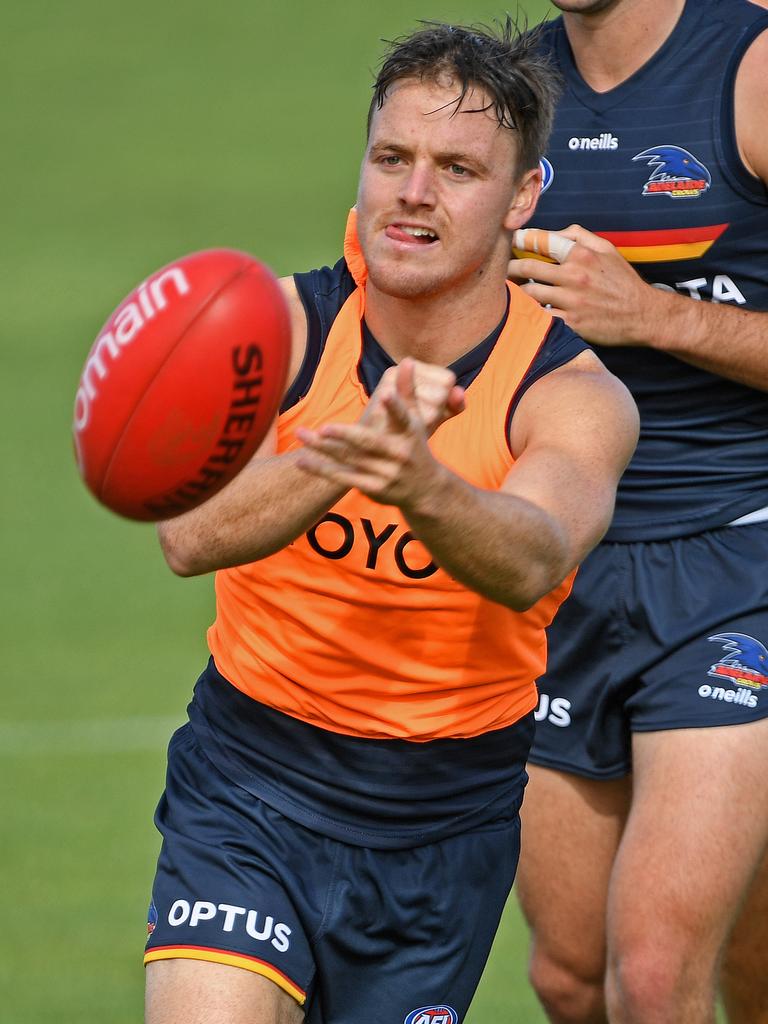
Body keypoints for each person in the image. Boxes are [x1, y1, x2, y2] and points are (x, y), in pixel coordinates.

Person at [140, 18, 638, 1024]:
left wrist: (421, 482)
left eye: (457, 168)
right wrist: (347, 452)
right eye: (393, 158)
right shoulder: (274, 329)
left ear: (523, 198)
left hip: (441, 830)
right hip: (249, 788)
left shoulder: (571, 394)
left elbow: (535, 554)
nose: (414, 192)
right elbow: (186, 535)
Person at [509, 1, 768, 1022]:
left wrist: (653, 314)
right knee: (570, 978)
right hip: (560, 567)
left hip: (738, 564)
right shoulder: (511, 90)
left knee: (655, 976)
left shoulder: (747, 71)